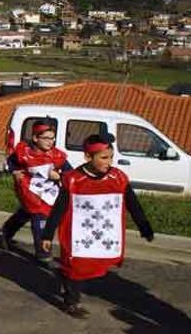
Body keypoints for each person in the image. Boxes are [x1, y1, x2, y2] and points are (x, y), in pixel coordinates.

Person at [40, 133, 154, 319]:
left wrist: (144, 226)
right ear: (88, 157)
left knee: (93, 265)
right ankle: (71, 302)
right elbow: (59, 209)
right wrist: (47, 234)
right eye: (103, 158)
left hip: (102, 233)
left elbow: (132, 203)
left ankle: (65, 277)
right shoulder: (73, 179)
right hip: (77, 232)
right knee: (77, 267)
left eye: (111, 157)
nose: (108, 162)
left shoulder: (118, 177)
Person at [1, 120, 72, 262]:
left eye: (52, 138)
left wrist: (58, 176)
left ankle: (7, 231)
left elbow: (70, 174)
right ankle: (43, 253)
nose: (50, 142)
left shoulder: (57, 156)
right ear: (35, 138)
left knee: (26, 213)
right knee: (40, 218)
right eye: (46, 138)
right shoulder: (23, 153)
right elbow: (9, 164)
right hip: (29, 191)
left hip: (47, 192)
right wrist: (14, 172)